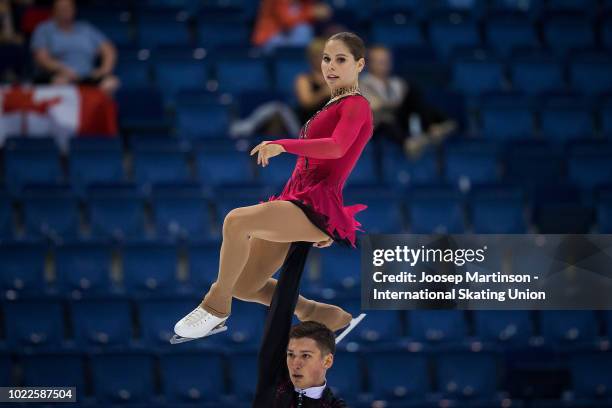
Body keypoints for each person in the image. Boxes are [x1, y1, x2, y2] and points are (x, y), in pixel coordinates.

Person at [173, 31, 372, 342]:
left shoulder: (357, 105)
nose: (331, 66)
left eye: (341, 59)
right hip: (297, 199)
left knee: (236, 221)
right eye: (326, 59)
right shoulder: (333, 104)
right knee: (245, 284)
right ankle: (319, 314)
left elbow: (336, 148)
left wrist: (284, 144)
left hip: (315, 205)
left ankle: (215, 306)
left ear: (360, 64)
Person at [360, 45, 456, 158]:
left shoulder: (397, 82)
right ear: (370, 63)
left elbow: (408, 103)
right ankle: (407, 143)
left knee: (414, 97)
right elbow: (375, 107)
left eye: (386, 61)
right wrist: (395, 104)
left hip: (399, 118)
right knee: (386, 119)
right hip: (378, 124)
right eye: (380, 61)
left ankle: (438, 124)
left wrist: (402, 103)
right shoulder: (362, 83)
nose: (385, 65)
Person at [30, 0, 120, 95]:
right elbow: (42, 58)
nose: (65, 11)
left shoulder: (86, 28)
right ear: (54, 11)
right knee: (60, 83)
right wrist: (62, 69)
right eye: (61, 8)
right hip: (59, 74)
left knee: (111, 83)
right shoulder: (44, 29)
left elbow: (108, 49)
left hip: (87, 76)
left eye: (68, 7)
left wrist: (103, 70)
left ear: (74, 9)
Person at [252, 0, 332, 54]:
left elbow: (323, 13)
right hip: (269, 39)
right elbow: (286, 21)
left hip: (290, 39)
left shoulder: (306, 2)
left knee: (306, 30)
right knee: (303, 30)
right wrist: (311, 13)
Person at [295, 37, 330, 125]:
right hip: (308, 122)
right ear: (311, 58)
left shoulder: (337, 78)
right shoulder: (304, 79)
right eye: (320, 55)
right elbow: (306, 103)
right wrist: (323, 93)